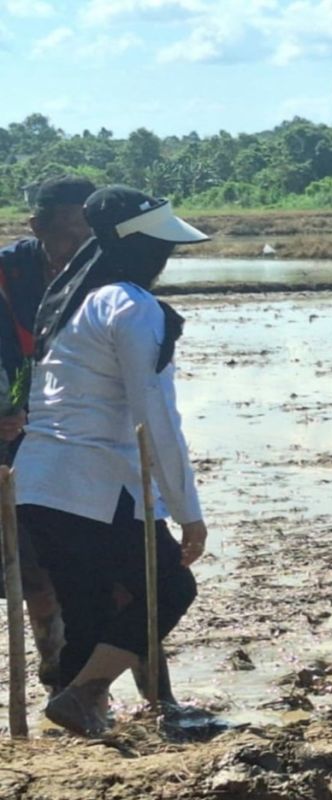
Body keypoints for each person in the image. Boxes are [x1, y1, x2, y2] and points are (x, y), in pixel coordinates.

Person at [15, 185, 210, 735]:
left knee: (88, 614)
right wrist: (186, 509)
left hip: (40, 485)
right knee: (172, 588)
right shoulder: (131, 305)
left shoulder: (71, 300)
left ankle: (77, 727)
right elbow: (157, 419)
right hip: (96, 488)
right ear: (141, 249)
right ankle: (86, 695)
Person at [0, 176, 95, 691]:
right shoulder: (7, 275)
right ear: (36, 228)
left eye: (88, 233)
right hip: (12, 434)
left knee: (98, 559)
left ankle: (111, 677)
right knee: (33, 565)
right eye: (65, 233)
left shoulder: (103, 275)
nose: (77, 246)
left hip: (77, 432)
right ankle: (57, 669)